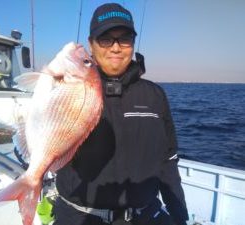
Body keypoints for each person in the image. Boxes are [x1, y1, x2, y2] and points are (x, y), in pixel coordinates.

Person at [52, 3, 188, 225]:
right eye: (105, 39)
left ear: (133, 44)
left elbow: (168, 161)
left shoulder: (155, 95)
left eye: (124, 39)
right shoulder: (68, 91)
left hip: (144, 216)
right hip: (80, 217)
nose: (115, 48)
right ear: (91, 45)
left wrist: (180, 217)